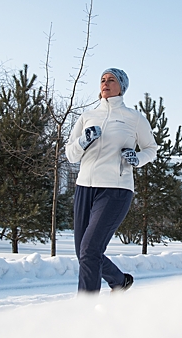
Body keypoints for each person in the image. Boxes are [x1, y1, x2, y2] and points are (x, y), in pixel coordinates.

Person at [65, 68, 158, 293]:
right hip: (84, 187)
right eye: (103, 80)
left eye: (111, 80)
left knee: (89, 249)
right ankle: (119, 281)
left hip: (115, 188)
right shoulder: (87, 117)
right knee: (84, 252)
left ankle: (85, 308)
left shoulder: (134, 118)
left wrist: (137, 159)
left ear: (122, 86)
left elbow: (151, 149)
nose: (105, 83)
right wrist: (83, 141)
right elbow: (70, 153)